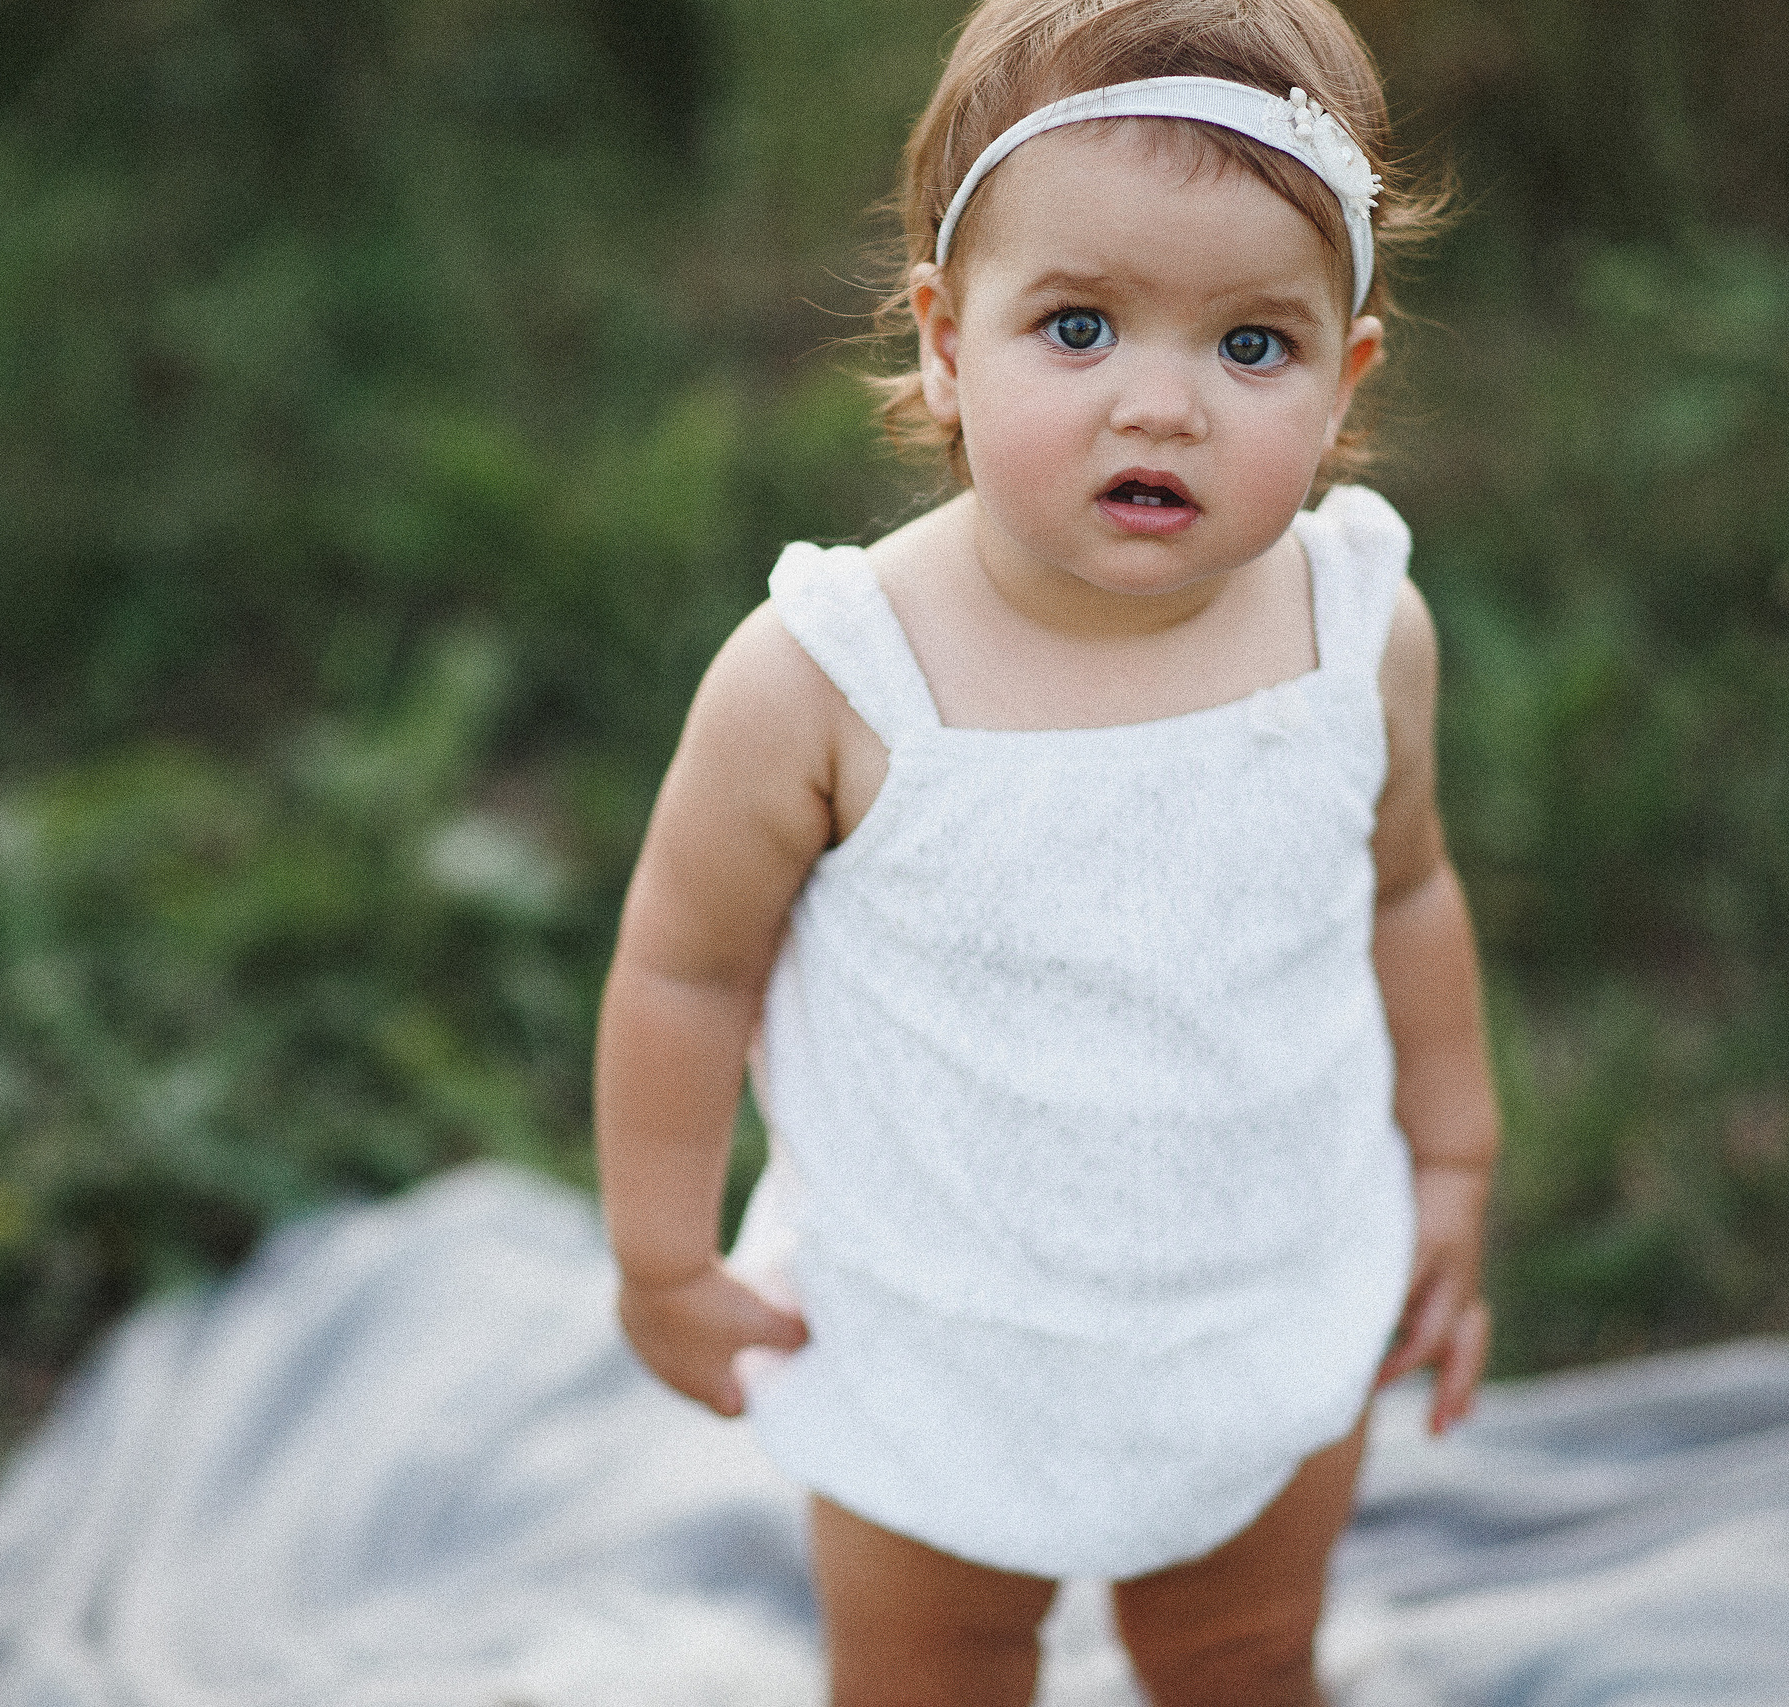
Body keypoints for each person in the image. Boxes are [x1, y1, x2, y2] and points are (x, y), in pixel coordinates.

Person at [594, 2, 1497, 1701]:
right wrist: (663, 1254)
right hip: (938, 1330)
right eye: (1077, 326)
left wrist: (1451, 1159)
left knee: (1241, 1658)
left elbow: (1406, 887)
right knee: (932, 1670)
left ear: (1347, 371)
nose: (1161, 407)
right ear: (946, 339)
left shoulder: (1358, 633)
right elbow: (685, 965)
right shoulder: (831, 678)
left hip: (1264, 1294)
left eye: (1252, 347)